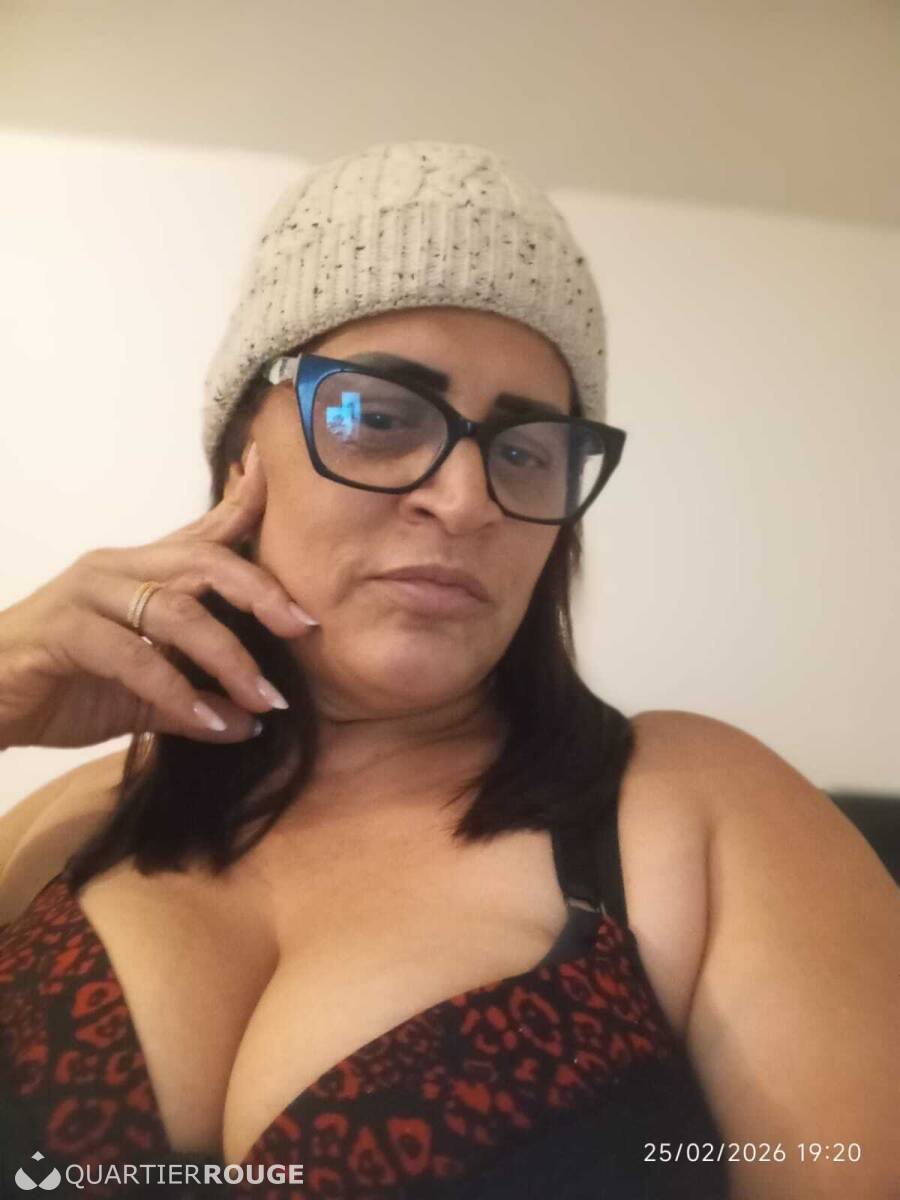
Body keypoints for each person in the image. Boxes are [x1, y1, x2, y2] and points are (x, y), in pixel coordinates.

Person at [0, 141, 895, 1200]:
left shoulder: (697, 814)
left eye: (525, 451)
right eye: (380, 418)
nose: (465, 501)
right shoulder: (58, 832)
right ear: (244, 456)